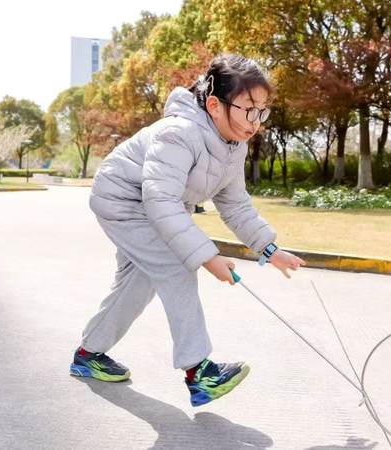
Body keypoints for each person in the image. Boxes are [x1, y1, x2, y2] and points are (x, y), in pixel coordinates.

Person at [71, 54, 306, 407]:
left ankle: (88, 355)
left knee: (137, 285)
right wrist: (207, 256)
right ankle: (200, 373)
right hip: (123, 200)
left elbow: (236, 205)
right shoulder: (179, 133)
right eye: (248, 108)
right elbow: (160, 200)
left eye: (262, 110)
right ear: (214, 105)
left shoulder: (233, 146)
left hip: (160, 207)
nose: (255, 121)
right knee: (177, 268)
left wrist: (270, 249)